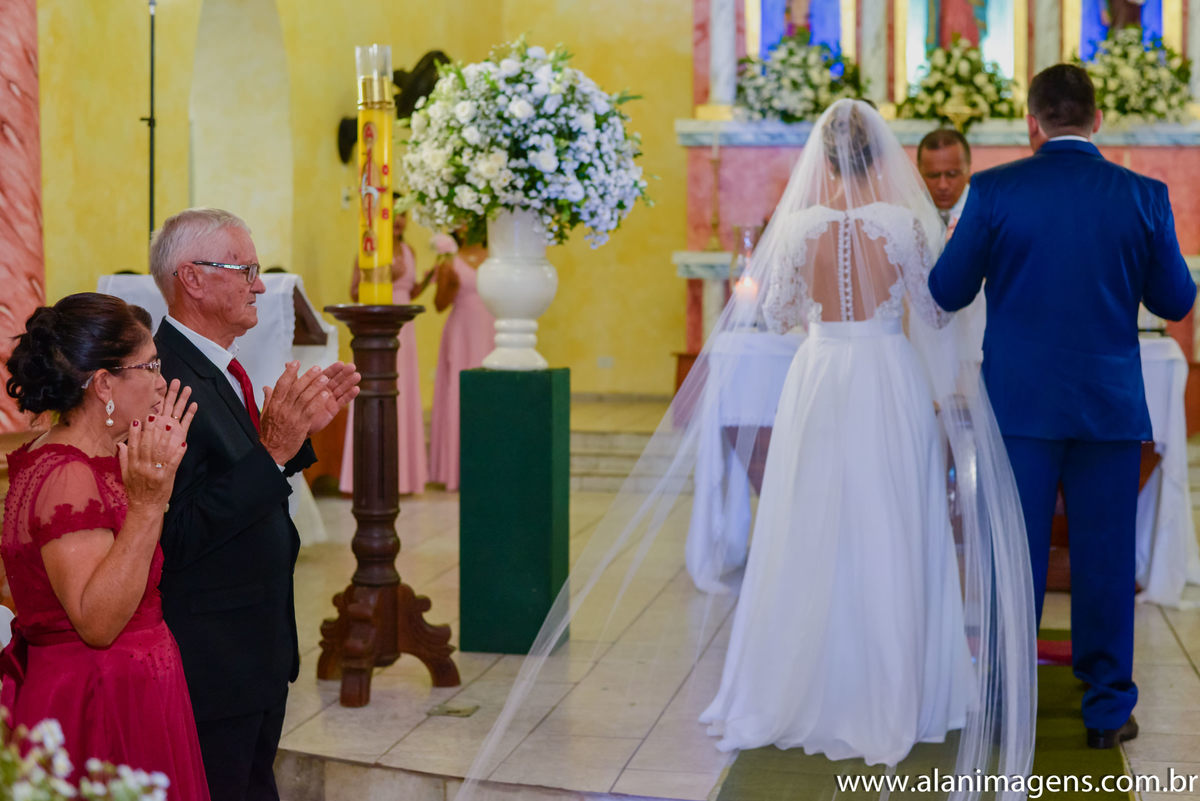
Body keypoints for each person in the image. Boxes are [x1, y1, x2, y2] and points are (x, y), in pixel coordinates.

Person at [452, 100, 1036, 801]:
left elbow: (782, 312)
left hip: (820, 377)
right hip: (886, 378)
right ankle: (896, 686)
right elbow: (937, 309)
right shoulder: (906, 226)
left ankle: (800, 684)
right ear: (883, 159)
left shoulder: (796, 229)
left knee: (809, 529)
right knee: (891, 524)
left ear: (820, 161)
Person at [929, 64, 1197, 749]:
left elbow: (948, 288)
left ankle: (1003, 694)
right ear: (1098, 118)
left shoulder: (993, 190)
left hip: (1020, 407)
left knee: (1010, 554)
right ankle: (1107, 708)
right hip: (1108, 406)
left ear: (1032, 121)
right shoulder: (1144, 195)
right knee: (1104, 559)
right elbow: (1175, 301)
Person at [147, 208, 360, 800]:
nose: (259, 284)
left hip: (252, 646)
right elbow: (173, 533)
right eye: (244, 269)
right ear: (192, 278)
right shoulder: (164, 377)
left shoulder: (214, 366)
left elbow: (235, 476)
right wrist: (271, 450)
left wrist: (288, 446)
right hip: (213, 658)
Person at [1, 292, 207, 799]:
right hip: (99, 700)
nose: (161, 381)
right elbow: (97, 623)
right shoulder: (68, 475)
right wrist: (148, 504)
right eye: (151, 365)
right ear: (104, 384)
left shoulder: (97, 457)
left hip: (130, 684)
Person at [340, 208, 428, 495]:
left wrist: (428, 280)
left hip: (407, 329)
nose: (401, 220)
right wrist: (383, 274)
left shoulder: (410, 249)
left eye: (404, 215)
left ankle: (406, 478)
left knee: (405, 394)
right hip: (379, 327)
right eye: (396, 214)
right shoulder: (370, 249)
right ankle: (368, 477)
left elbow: (410, 291)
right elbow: (355, 292)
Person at [417, 229, 494, 491]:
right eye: (460, 222)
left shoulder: (496, 255)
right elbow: (439, 305)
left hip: (493, 329)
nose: (467, 226)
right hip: (462, 332)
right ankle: (456, 470)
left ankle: (490, 465)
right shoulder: (450, 260)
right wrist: (447, 280)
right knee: (459, 395)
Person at [917, 127, 986, 364]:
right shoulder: (908, 215)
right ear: (919, 172)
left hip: (976, 335)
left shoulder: (987, 212)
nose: (943, 184)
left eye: (952, 173)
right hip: (923, 341)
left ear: (968, 171)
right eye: (933, 175)